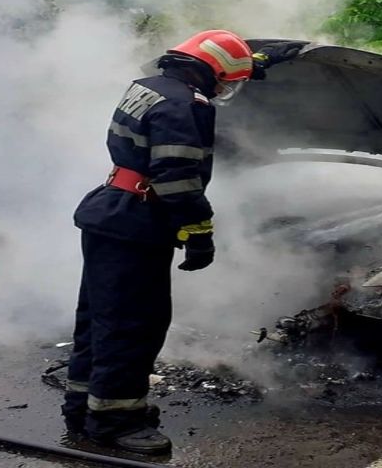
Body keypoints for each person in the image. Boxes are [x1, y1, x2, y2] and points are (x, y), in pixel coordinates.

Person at [62, 30, 304, 454]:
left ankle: (82, 407)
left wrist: (252, 61)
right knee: (133, 325)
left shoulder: (150, 87)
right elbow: (177, 177)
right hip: (139, 220)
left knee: (99, 318)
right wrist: (198, 232)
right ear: (207, 71)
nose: (226, 89)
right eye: (226, 81)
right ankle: (116, 422)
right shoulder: (184, 105)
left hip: (111, 211)